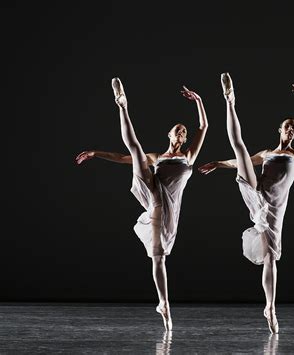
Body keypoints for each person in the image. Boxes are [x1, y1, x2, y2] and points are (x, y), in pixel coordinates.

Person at [76, 77, 209, 331]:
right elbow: (124, 157)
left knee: (158, 258)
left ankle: (164, 304)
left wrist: (199, 101)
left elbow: (204, 126)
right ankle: (122, 104)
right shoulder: (157, 157)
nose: (182, 133)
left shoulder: (189, 156)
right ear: (169, 134)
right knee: (136, 150)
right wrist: (96, 153)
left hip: (167, 209)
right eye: (177, 130)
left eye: (184, 132)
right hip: (153, 191)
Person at [198, 73, 294, 333]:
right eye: (287, 126)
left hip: (274, 210)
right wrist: (219, 164)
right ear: (280, 129)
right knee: (240, 149)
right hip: (257, 193)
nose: (291, 130)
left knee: (269, 259)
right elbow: (239, 162)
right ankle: (229, 100)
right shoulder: (267, 153)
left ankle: (270, 307)